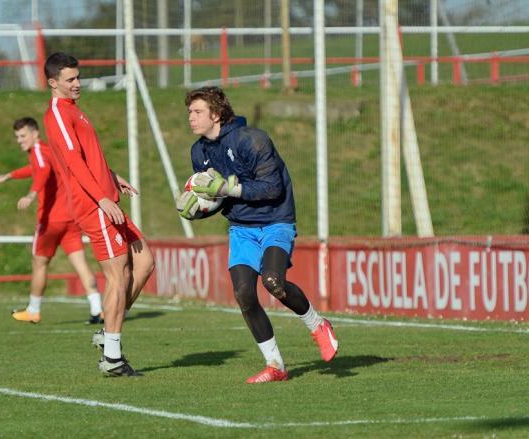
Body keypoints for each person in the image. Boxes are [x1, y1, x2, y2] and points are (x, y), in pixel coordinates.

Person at [178, 86, 339, 384]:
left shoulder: (252, 140)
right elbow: (218, 199)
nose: (191, 117)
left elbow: (271, 188)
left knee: (273, 282)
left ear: (216, 114)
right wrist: (197, 209)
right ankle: (275, 364)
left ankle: (317, 325)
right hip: (241, 229)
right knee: (243, 294)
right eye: (190, 112)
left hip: (276, 221)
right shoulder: (198, 152)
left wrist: (227, 188)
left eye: (197, 111)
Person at [42, 52, 155, 377]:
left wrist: (111, 173)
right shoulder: (57, 114)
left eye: (78, 77)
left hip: (106, 198)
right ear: (53, 83)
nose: (78, 84)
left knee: (145, 263)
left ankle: (109, 334)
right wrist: (102, 197)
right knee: (119, 277)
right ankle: (113, 357)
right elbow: (73, 162)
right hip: (94, 206)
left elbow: (87, 158)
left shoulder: (75, 110)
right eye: (70, 80)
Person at [0, 117, 104, 325]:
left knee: (39, 263)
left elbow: (41, 172)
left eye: (23, 136)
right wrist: (8, 176)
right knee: (79, 262)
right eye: (17, 137)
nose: (19, 140)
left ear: (35, 133)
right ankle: (97, 308)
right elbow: (36, 169)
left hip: (51, 220)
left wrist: (31, 195)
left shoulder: (39, 152)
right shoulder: (47, 151)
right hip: (70, 218)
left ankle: (33, 310)